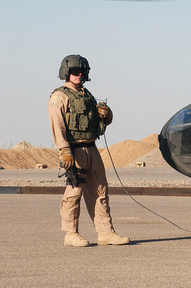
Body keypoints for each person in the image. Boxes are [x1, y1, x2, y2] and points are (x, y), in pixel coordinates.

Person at [48, 54, 130, 247]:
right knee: (74, 191)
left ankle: (105, 233)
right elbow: (57, 125)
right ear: (66, 73)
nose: (78, 74)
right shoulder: (59, 97)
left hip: (92, 148)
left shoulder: (87, 95)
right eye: (74, 71)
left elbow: (102, 121)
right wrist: (64, 150)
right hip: (74, 150)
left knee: (100, 191)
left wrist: (107, 114)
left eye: (81, 71)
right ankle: (70, 233)